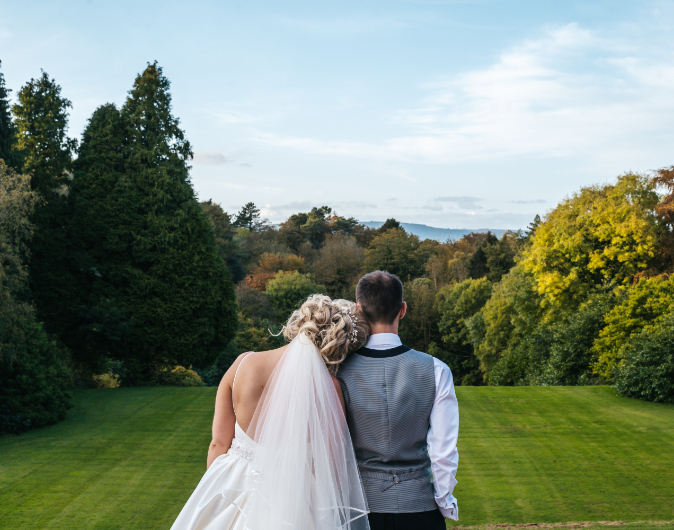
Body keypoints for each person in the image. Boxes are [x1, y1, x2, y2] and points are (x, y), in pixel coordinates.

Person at [171, 295, 372, 530]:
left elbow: (217, 443)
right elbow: (329, 466)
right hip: (291, 499)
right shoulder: (329, 389)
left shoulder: (242, 363)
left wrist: (215, 491)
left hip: (230, 484)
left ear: (301, 322)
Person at [337, 271, 460, 530]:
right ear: (402, 309)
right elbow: (443, 452)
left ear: (358, 309)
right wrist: (444, 502)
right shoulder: (436, 369)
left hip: (359, 509)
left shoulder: (338, 371)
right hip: (419, 508)